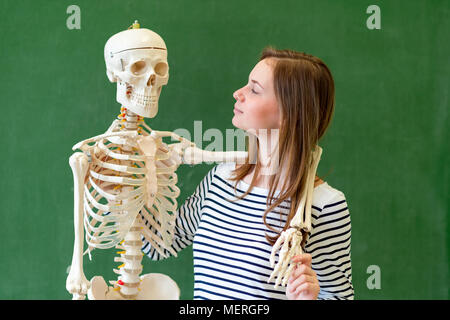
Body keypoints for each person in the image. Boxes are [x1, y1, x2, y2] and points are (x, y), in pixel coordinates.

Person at [142, 46, 354, 300]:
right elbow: (161, 244)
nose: (238, 93)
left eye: (254, 89)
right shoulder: (222, 177)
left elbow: (338, 296)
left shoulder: (325, 205)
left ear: (290, 113)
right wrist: (119, 194)